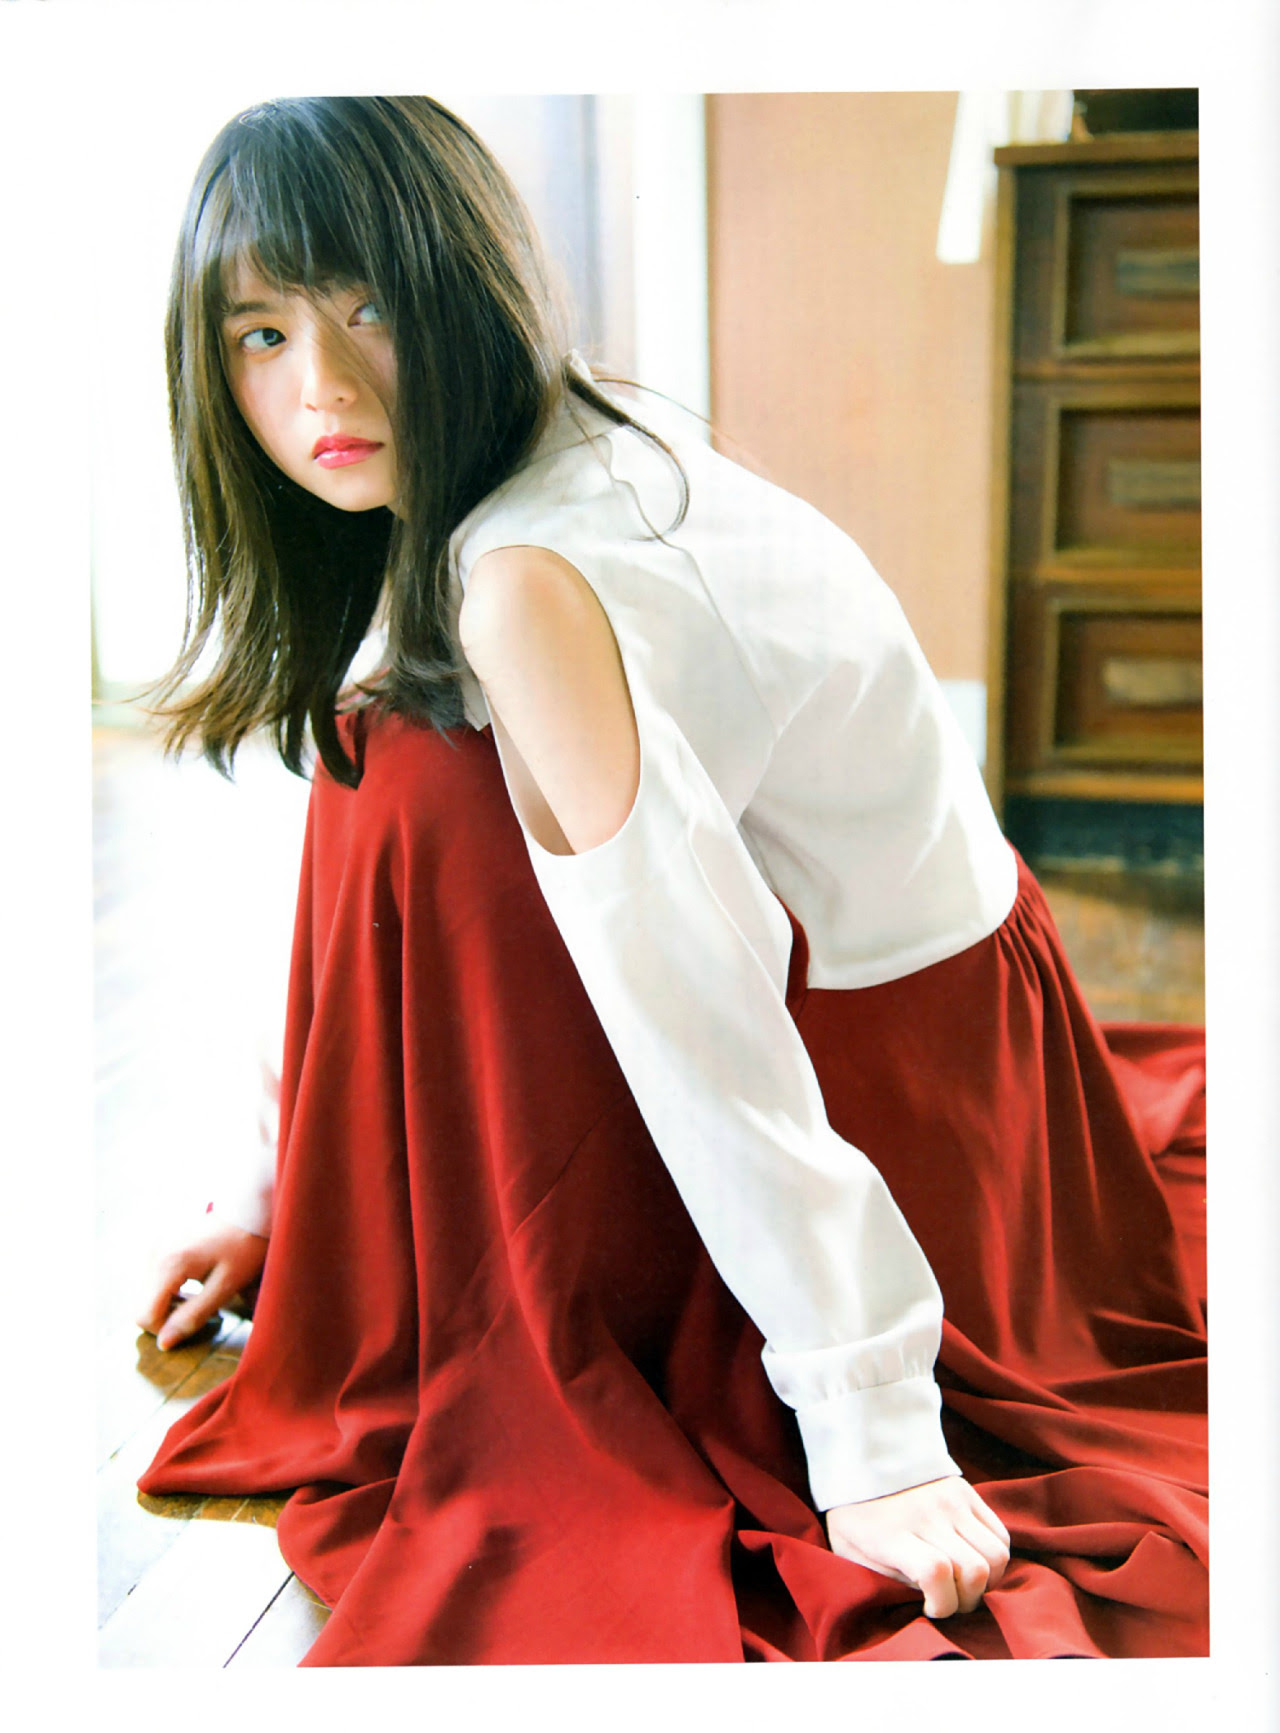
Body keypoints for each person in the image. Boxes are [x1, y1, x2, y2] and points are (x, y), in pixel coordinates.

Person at [135, 95, 1208, 1664]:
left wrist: (872, 1430)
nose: (323, 388)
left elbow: (702, 1009)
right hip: (933, 1003)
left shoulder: (532, 575)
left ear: (464, 286)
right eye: (261, 335)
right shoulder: (512, 468)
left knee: (415, 766)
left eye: (370, 308)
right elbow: (350, 844)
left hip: (907, 1088)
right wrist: (283, 1188)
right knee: (389, 739)